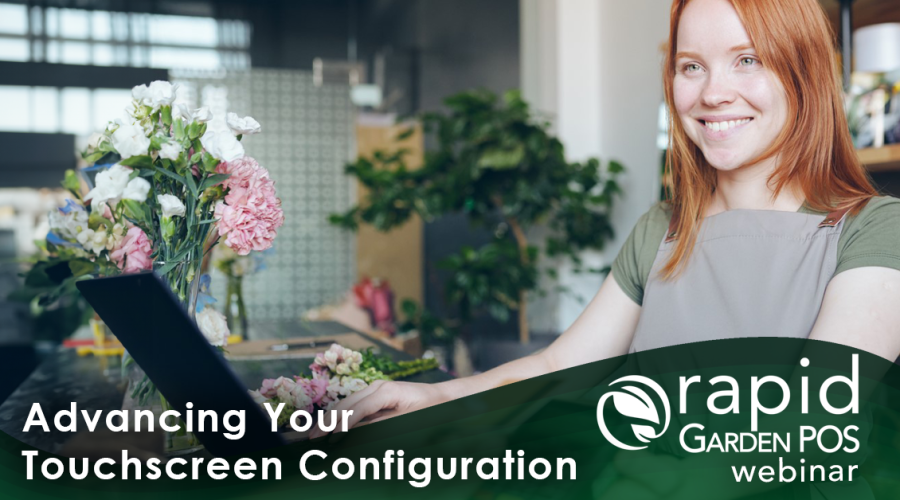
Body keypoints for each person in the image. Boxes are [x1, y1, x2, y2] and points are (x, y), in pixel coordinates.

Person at [310, 0, 900, 439]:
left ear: (805, 74)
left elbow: (810, 421)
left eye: (747, 60)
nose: (712, 92)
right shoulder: (664, 228)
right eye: (691, 66)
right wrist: (432, 396)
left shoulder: (876, 229)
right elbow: (559, 365)